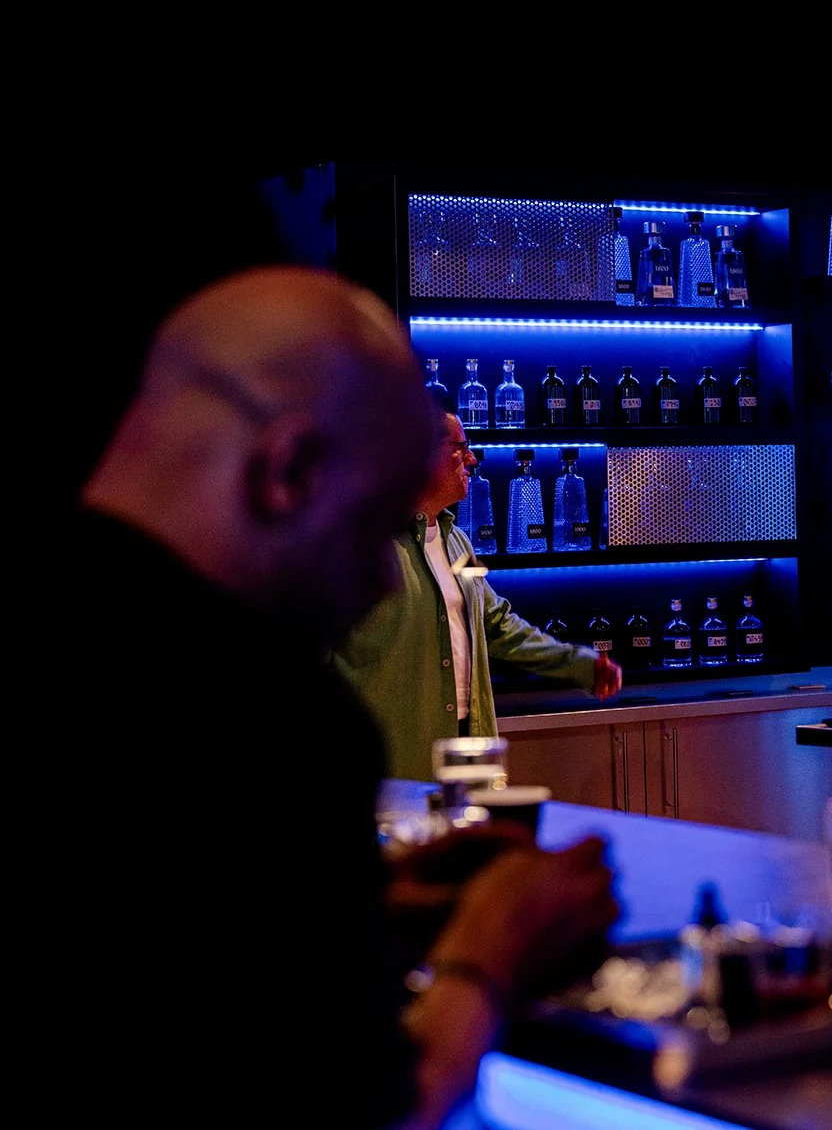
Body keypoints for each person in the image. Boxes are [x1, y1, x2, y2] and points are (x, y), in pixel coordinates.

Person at [40, 267, 620, 1129]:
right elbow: (372, 1107)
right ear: (290, 468)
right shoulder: (274, 720)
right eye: (370, 525)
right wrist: (487, 959)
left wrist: (363, 901)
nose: (379, 583)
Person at [334, 411, 622, 782]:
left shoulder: (458, 543)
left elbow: (499, 625)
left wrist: (579, 665)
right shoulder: (362, 545)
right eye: (460, 447)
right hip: (392, 765)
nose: (471, 458)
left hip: (468, 747)